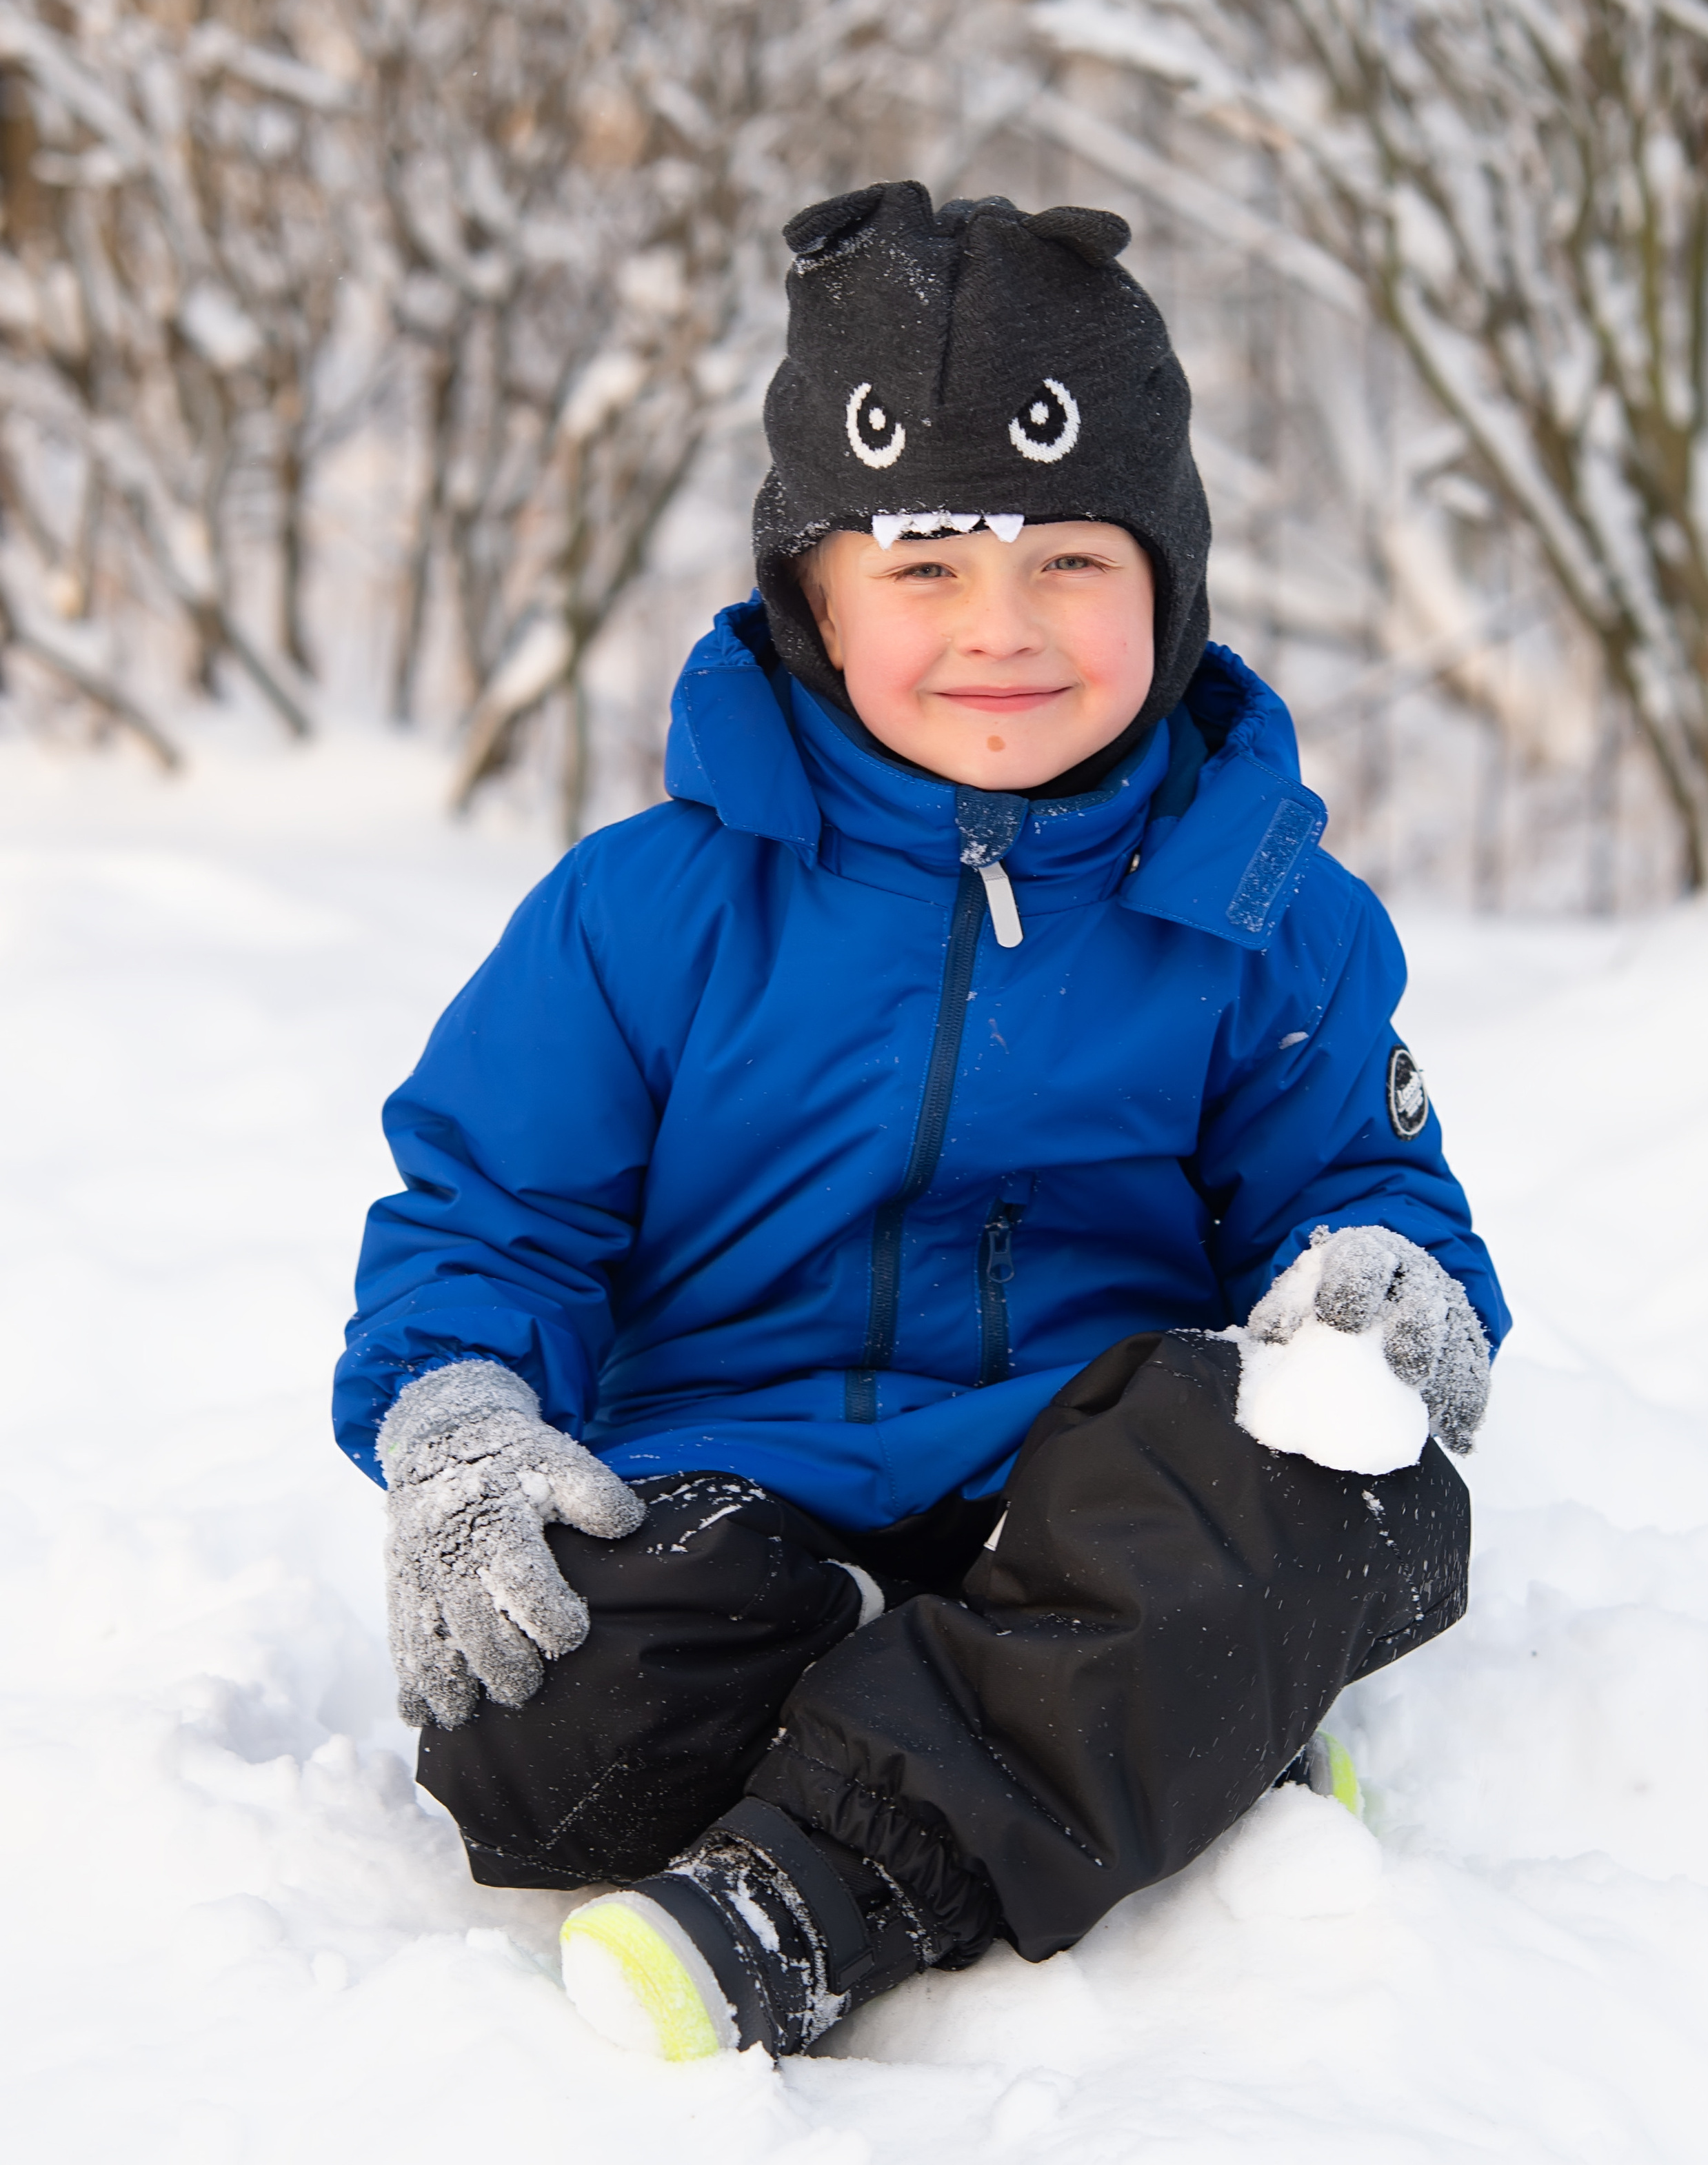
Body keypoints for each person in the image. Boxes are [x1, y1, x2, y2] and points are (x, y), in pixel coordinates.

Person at [334, 181, 1506, 2063]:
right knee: (542, 1748)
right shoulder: (646, 910)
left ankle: (822, 1888)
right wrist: (458, 1417)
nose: (1003, 632)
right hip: (742, 1495)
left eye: (1071, 564)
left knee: (1327, 1487)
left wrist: (1383, 1293)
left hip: (1091, 1475)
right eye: (927, 569)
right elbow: (492, 1219)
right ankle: (1139, 1740)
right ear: (813, 596)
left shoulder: (1262, 911)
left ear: (1167, 583)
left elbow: (1359, 1186)